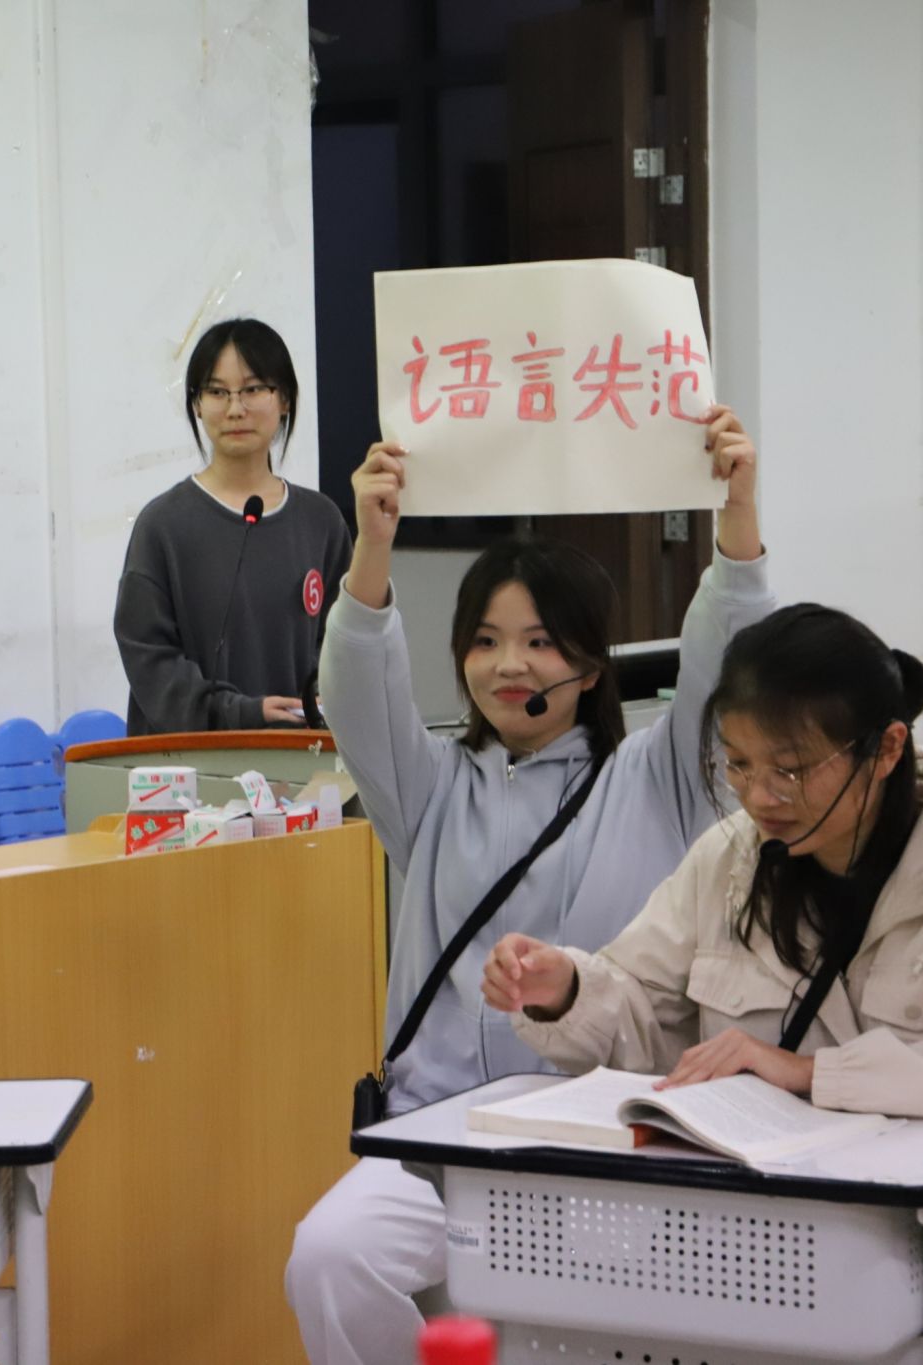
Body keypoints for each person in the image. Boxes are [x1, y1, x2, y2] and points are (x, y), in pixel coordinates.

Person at [285, 408, 774, 1364]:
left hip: (603, 1143)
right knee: (328, 1257)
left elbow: (728, 659)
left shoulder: (659, 775)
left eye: (541, 641)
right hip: (437, 1141)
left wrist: (738, 515)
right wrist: (372, 544)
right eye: (485, 640)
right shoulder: (428, 787)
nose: (509, 665)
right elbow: (354, 687)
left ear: (590, 661)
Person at [483, 605, 923, 1364]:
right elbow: (643, 1006)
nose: (759, 796)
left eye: (790, 769)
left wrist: (808, 1073)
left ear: (886, 748)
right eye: (738, 764)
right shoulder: (731, 857)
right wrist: (566, 987)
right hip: (776, 1263)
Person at [113, 317, 352, 735]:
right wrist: (239, 712)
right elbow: (150, 659)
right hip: (194, 761)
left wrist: (317, 703)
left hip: (298, 756)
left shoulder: (321, 522)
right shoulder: (163, 525)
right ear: (196, 405)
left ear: (285, 399)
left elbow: (343, 644)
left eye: (253, 389)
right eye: (217, 392)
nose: (235, 408)